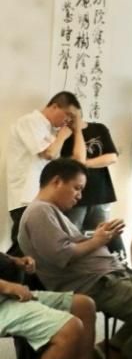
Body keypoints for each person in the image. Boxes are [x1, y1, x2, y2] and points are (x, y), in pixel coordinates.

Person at [19, 158, 132, 359]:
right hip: (96, 283)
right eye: (77, 188)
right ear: (57, 181)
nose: (79, 196)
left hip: (108, 275)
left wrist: (97, 236)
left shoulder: (50, 212)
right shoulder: (39, 212)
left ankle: (113, 349)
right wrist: (98, 240)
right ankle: (120, 353)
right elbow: (62, 255)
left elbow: (70, 246)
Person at [0, 253, 120, 359]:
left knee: (84, 305)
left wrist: (14, 261)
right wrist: (6, 286)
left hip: (6, 296)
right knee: (69, 328)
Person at [7, 91, 83, 255]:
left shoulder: (51, 130)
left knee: (37, 250)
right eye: (68, 115)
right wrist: (62, 136)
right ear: (55, 106)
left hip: (40, 198)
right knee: (22, 249)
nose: (68, 121)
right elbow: (48, 153)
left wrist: (71, 132)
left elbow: (75, 160)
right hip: (25, 197)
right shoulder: (30, 121)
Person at [60, 114, 120, 242]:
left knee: (100, 237)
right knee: (73, 238)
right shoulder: (62, 133)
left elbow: (112, 157)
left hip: (101, 194)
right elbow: (73, 159)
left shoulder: (99, 128)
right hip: (74, 196)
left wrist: (84, 163)